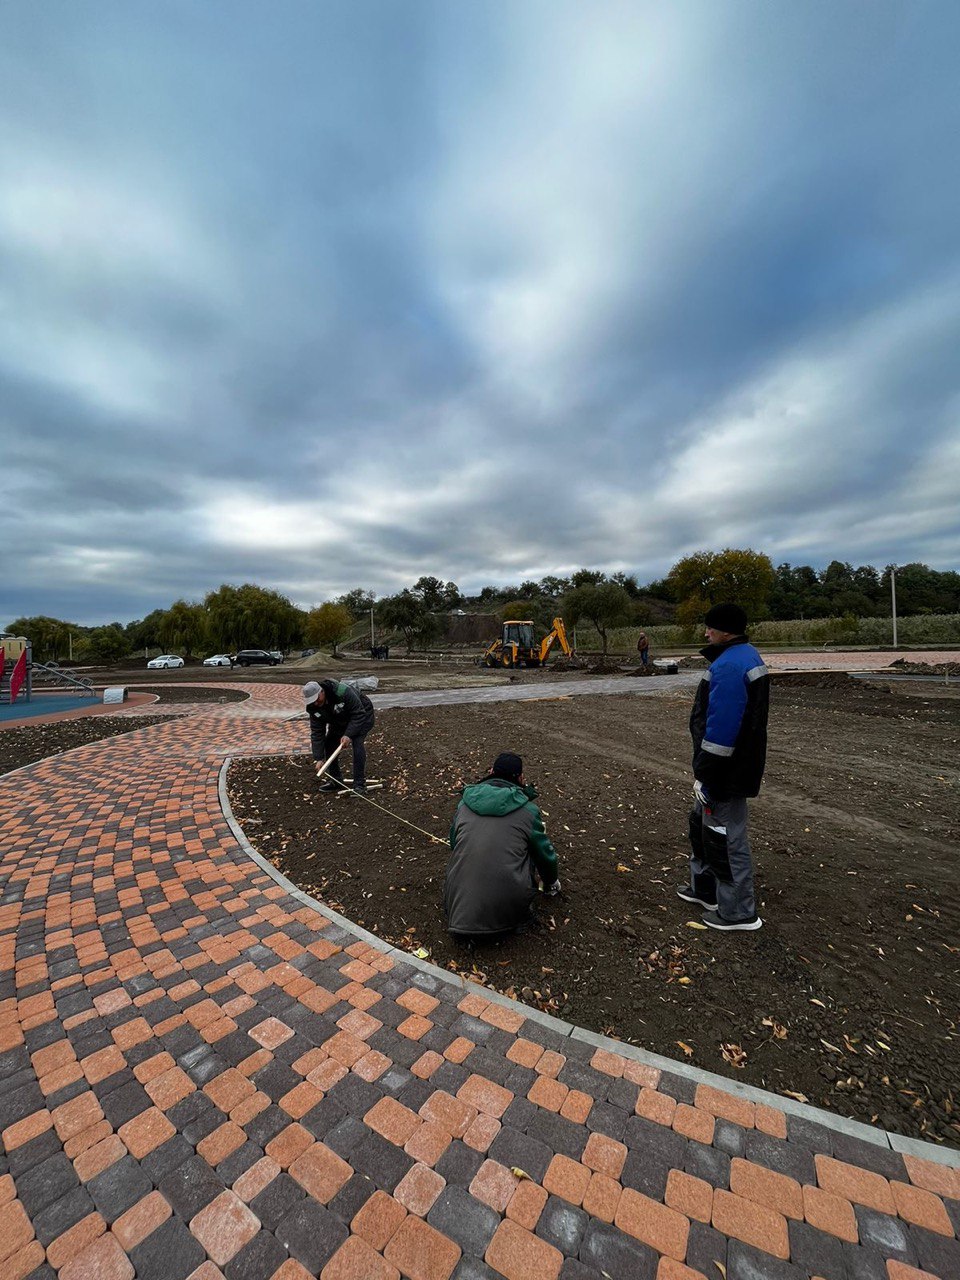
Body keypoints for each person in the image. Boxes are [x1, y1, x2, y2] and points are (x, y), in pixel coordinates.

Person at [680, 603, 769, 931]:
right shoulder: (740, 656)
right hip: (724, 768)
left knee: (724, 836)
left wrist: (707, 776)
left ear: (726, 630)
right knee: (702, 828)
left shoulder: (731, 665)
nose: (706, 632)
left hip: (725, 772)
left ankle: (737, 912)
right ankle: (705, 891)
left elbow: (722, 729)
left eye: (710, 627)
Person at [445, 752, 561, 939]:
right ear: (521, 778)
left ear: (491, 772)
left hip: (456, 909)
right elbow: (544, 855)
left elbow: (454, 844)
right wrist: (551, 882)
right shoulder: (528, 811)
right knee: (527, 849)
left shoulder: (464, 805)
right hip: (510, 917)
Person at [302, 679, 375, 794]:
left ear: (322, 692)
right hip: (339, 719)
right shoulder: (314, 708)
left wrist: (348, 735)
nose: (316, 703)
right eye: (312, 701)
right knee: (330, 744)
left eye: (317, 699)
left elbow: (358, 714)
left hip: (362, 713)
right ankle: (336, 780)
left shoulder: (342, 692)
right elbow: (317, 732)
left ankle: (359, 785)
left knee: (357, 742)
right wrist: (319, 758)